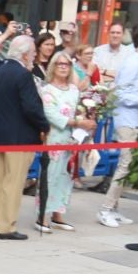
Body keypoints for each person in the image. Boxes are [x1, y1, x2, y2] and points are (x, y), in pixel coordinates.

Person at [0, 35, 48, 240]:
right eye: (32, 54)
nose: (34, 57)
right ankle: (6, 226)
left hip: (2, 133)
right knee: (13, 182)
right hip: (21, 136)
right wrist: (43, 125)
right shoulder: (23, 75)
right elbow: (31, 107)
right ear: (24, 54)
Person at [99, 28, 138, 228]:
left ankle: (113, 208)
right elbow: (121, 93)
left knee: (127, 165)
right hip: (127, 120)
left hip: (134, 118)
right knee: (126, 164)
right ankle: (106, 209)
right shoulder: (133, 62)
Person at [36, 50, 88, 234]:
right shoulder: (47, 90)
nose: (64, 67)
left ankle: (58, 213)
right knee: (50, 176)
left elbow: (79, 110)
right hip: (54, 138)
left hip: (71, 138)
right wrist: (76, 121)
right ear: (53, 67)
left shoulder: (74, 90)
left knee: (66, 177)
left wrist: (83, 122)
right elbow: (50, 114)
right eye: (60, 64)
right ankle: (42, 215)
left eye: (67, 64)